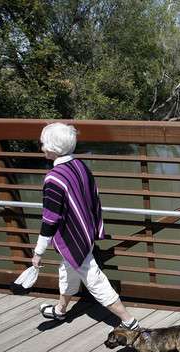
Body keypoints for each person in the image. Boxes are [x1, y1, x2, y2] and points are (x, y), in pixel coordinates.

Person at [32, 122, 140, 330]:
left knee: (94, 279)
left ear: (52, 148)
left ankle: (130, 323)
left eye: (43, 143)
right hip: (86, 232)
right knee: (67, 270)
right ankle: (61, 310)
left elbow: (50, 219)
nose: (42, 147)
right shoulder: (80, 165)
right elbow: (93, 198)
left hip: (73, 240)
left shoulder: (54, 178)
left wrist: (38, 253)